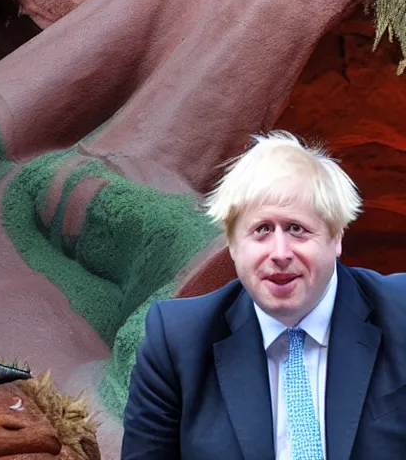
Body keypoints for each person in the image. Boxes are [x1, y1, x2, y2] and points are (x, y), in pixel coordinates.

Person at [121, 130, 406, 460]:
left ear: (336, 236)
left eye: (297, 229)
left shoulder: (400, 313)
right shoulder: (177, 341)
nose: (280, 253)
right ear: (231, 244)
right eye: (262, 230)